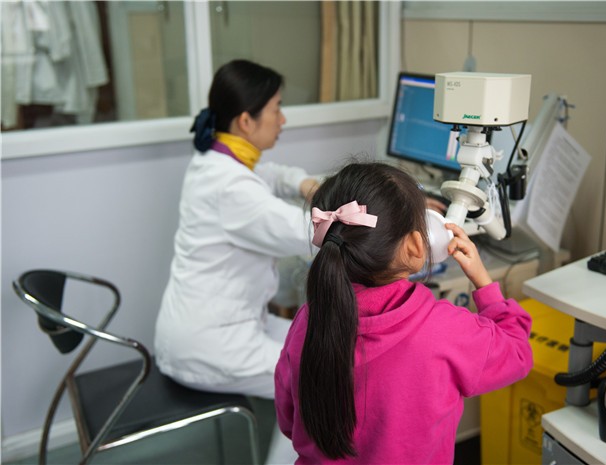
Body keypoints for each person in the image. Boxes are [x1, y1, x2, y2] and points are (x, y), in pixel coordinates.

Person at [274, 162, 534, 464]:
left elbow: (289, 421)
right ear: (416, 245)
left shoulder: (308, 319)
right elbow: (517, 353)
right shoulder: (444, 330)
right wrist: (484, 283)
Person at [154, 59, 317, 463]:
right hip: (210, 344)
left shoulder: (215, 159)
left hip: (225, 323)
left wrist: (304, 182)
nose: (283, 119)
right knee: (316, 382)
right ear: (246, 121)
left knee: (322, 341)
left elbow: (269, 174)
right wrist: (399, 217)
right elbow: (309, 232)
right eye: (277, 108)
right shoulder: (231, 187)